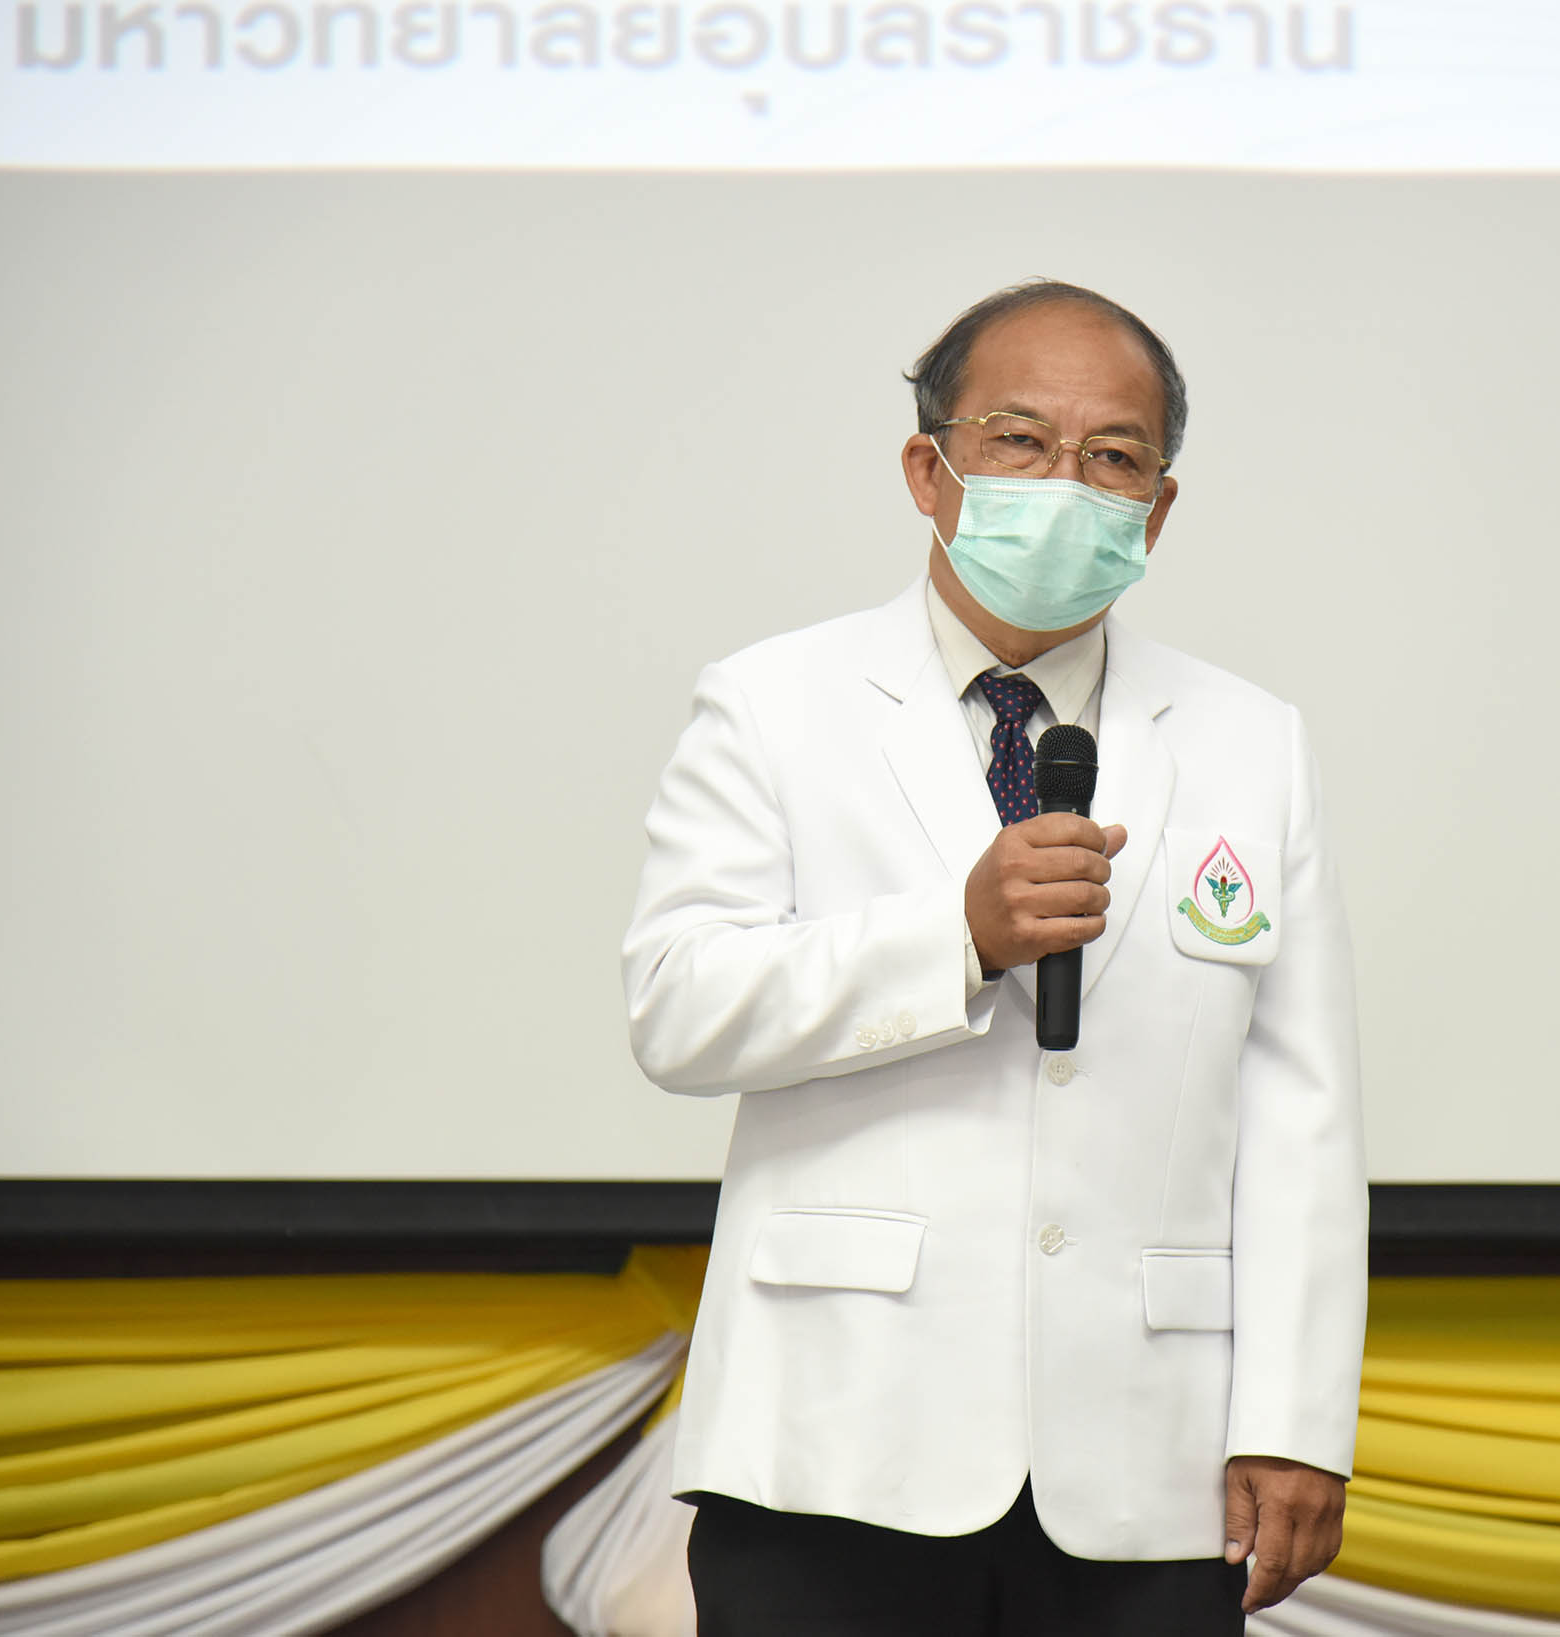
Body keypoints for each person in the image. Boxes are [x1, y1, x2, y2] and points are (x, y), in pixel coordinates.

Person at [621, 280, 1367, 1635]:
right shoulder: (774, 704)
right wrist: (953, 938)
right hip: (836, 1442)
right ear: (930, 469)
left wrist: (1296, 1419)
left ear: (1158, 508)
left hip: (1151, 1459)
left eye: (1114, 456)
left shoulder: (1250, 739)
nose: (1066, 484)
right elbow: (681, 1009)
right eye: (1020, 441)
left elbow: (1299, 1109)